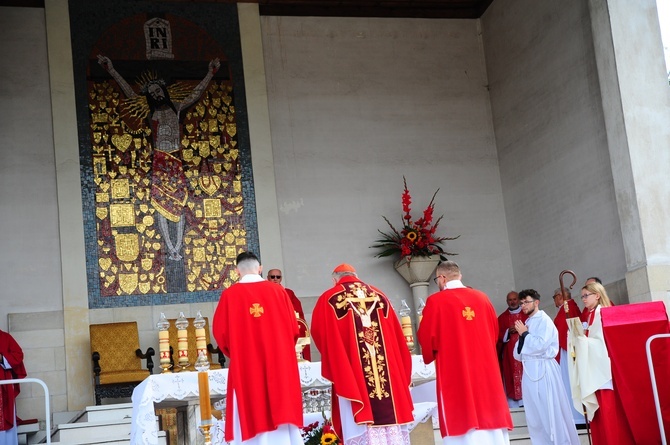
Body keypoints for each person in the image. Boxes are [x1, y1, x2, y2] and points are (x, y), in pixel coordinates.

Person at [97, 54, 220, 265]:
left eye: (158, 90)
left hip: (176, 160)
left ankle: (178, 246)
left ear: (163, 91)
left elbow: (195, 94)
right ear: (150, 96)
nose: (157, 94)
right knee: (161, 204)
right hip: (160, 162)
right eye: (153, 93)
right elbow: (128, 91)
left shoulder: (176, 107)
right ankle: (170, 248)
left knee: (179, 204)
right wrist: (112, 70)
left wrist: (210, 73)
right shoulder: (149, 112)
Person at [311, 263, 414, 445]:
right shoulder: (379, 295)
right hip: (386, 372)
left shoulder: (330, 297)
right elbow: (397, 336)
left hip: (353, 372)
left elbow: (319, 334)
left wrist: (338, 358)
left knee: (357, 411)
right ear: (356, 276)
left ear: (335, 279)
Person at [212, 252, 303, 445]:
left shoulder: (229, 295)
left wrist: (238, 354)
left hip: (246, 366)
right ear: (260, 268)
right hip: (279, 362)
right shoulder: (279, 292)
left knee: (250, 404)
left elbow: (221, 334)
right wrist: (281, 349)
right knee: (281, 402)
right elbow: (294, 330)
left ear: (237, 271)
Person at [417, 261, 512, 445]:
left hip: (456, 369)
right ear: (459, 276)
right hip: (486, 370)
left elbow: (427, 337)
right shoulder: (482, 298)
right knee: (489, 405)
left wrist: (430, 352)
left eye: (437, 279)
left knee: (461, 412)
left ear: (442, 278)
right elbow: (494, 333)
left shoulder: (436, 301)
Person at [568, 283, 635, 445]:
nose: (583, 299)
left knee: (607, 411)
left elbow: (602, 343)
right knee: (598, 415)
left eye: (586, 295)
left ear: (597, 295)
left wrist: (581, 340)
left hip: (601, 370)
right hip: (592, 368)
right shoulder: (590, 314)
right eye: (582, 296)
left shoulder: (602, 313)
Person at [513, 289, 580, 445]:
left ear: (536, 302)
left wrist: (525, 335)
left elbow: (541, 345)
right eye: (521, 303)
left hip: (543, 368)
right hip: (529, 371)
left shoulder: (544, 320)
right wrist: (523, 336)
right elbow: (517, 354)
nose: (523, 306)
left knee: (549, 411)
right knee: (534, 414)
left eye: (526, 302)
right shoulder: (527, 323)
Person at [552, 287, 585, 427]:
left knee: (571, 384)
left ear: (560, 296)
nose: (554, 300)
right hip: (567, 351)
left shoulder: (568, 308)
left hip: (569, 353)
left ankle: (577, 418)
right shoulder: (567, 308)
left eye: (554, 297)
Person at [267, 268, 311, 361]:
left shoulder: (288, 293)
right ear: (268, 278)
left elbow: (297, 313)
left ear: (281, 279)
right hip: (270, 330)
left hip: (286, 330)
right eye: (272, 277)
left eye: (278, 277)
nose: (275, 279)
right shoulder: (263, 293)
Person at [497, 291, 526, 408]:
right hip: (509, 354)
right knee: (510, 375)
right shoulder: (502, 318)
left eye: (514, 299)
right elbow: (497, 336)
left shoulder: (526, 313)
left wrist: (521, 330)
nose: (512, 302)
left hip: (524, 351)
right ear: (507, 302)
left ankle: (525, 401)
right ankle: (513, 404)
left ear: (518, 300)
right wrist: (507, 332)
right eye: (510, 300)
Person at [0, 329, 27, 445]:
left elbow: (18, 355)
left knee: (5, 418)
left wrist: (1, 358)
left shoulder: (5, 337)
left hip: (3, 386)